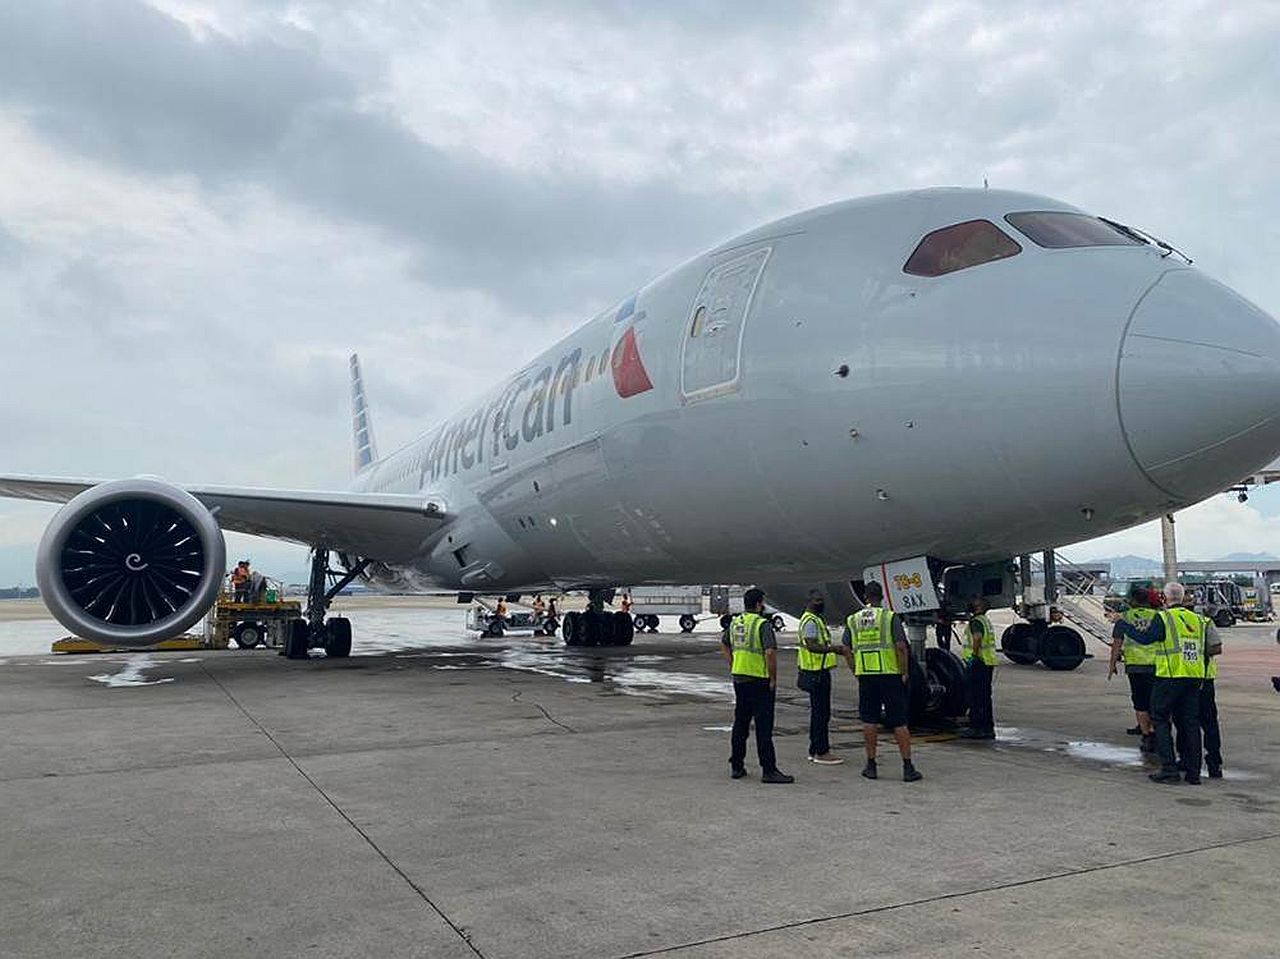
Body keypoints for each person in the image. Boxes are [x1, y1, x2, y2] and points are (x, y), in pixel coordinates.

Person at [1109, 581, 1207, 784]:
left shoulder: (1165, 617)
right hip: (1194, 675)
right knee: (1190, 723)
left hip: (1169, 675)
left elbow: (1146, 639)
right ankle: (1193, 772)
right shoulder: (1197, 619)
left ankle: (1169, 769)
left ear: (1164, 597)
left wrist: (1125, 624)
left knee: (1159, 719)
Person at [842, 582, 923, 782]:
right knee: (899, 722)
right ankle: (907, 766)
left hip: (866, 676)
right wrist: (904, 672)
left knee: (869, 721)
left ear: (865, 597)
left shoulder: (853, 619)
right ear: (882, 597)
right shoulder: (888, 617)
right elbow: (901, 647)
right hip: (889, 674)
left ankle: (871, 765)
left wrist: (855, 669)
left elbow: (845, 648)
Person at [721, 588, 793, 783]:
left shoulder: (736, 622)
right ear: (759, 604)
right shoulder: (763, 625)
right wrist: (773, 678)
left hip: (740, 679)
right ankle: (768, 770)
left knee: (740, 724)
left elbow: (724, 644)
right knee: (763, 728)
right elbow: (769, 653)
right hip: (759, 680)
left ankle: (737, 766)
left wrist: (733, 664)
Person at [796, 589, 848, 764]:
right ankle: (821, 751)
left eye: (821, 600)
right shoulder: (810, 621)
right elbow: (811, 646)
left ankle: (814, 749)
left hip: (816, 671)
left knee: (818, 713)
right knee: (821, 714)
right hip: (816, 673)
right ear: (809, 601)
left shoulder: (814, 619)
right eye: (817, 600)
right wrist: (836, 649)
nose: (821, 603)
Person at [1109, 584, 1157, 753]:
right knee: (1156, 702)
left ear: (1132, 601)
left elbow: (1117, 644)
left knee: (1140, 703)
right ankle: (1158, 733)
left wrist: (1112, 664)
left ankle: (1147, 736)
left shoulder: (1124, 618)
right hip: (1157, 667)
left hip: (1135, 667)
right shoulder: (1158, 616)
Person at [959, 597, 997, 739]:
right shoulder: (985, 620)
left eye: (974, 602)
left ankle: (976, 727)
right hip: (987, 661)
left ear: (979, 607)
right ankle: (987, 728)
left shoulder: (976, 622)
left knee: (975, 697)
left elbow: (977, 638)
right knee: (985, 697)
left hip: (978, 662)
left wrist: (973, 656)